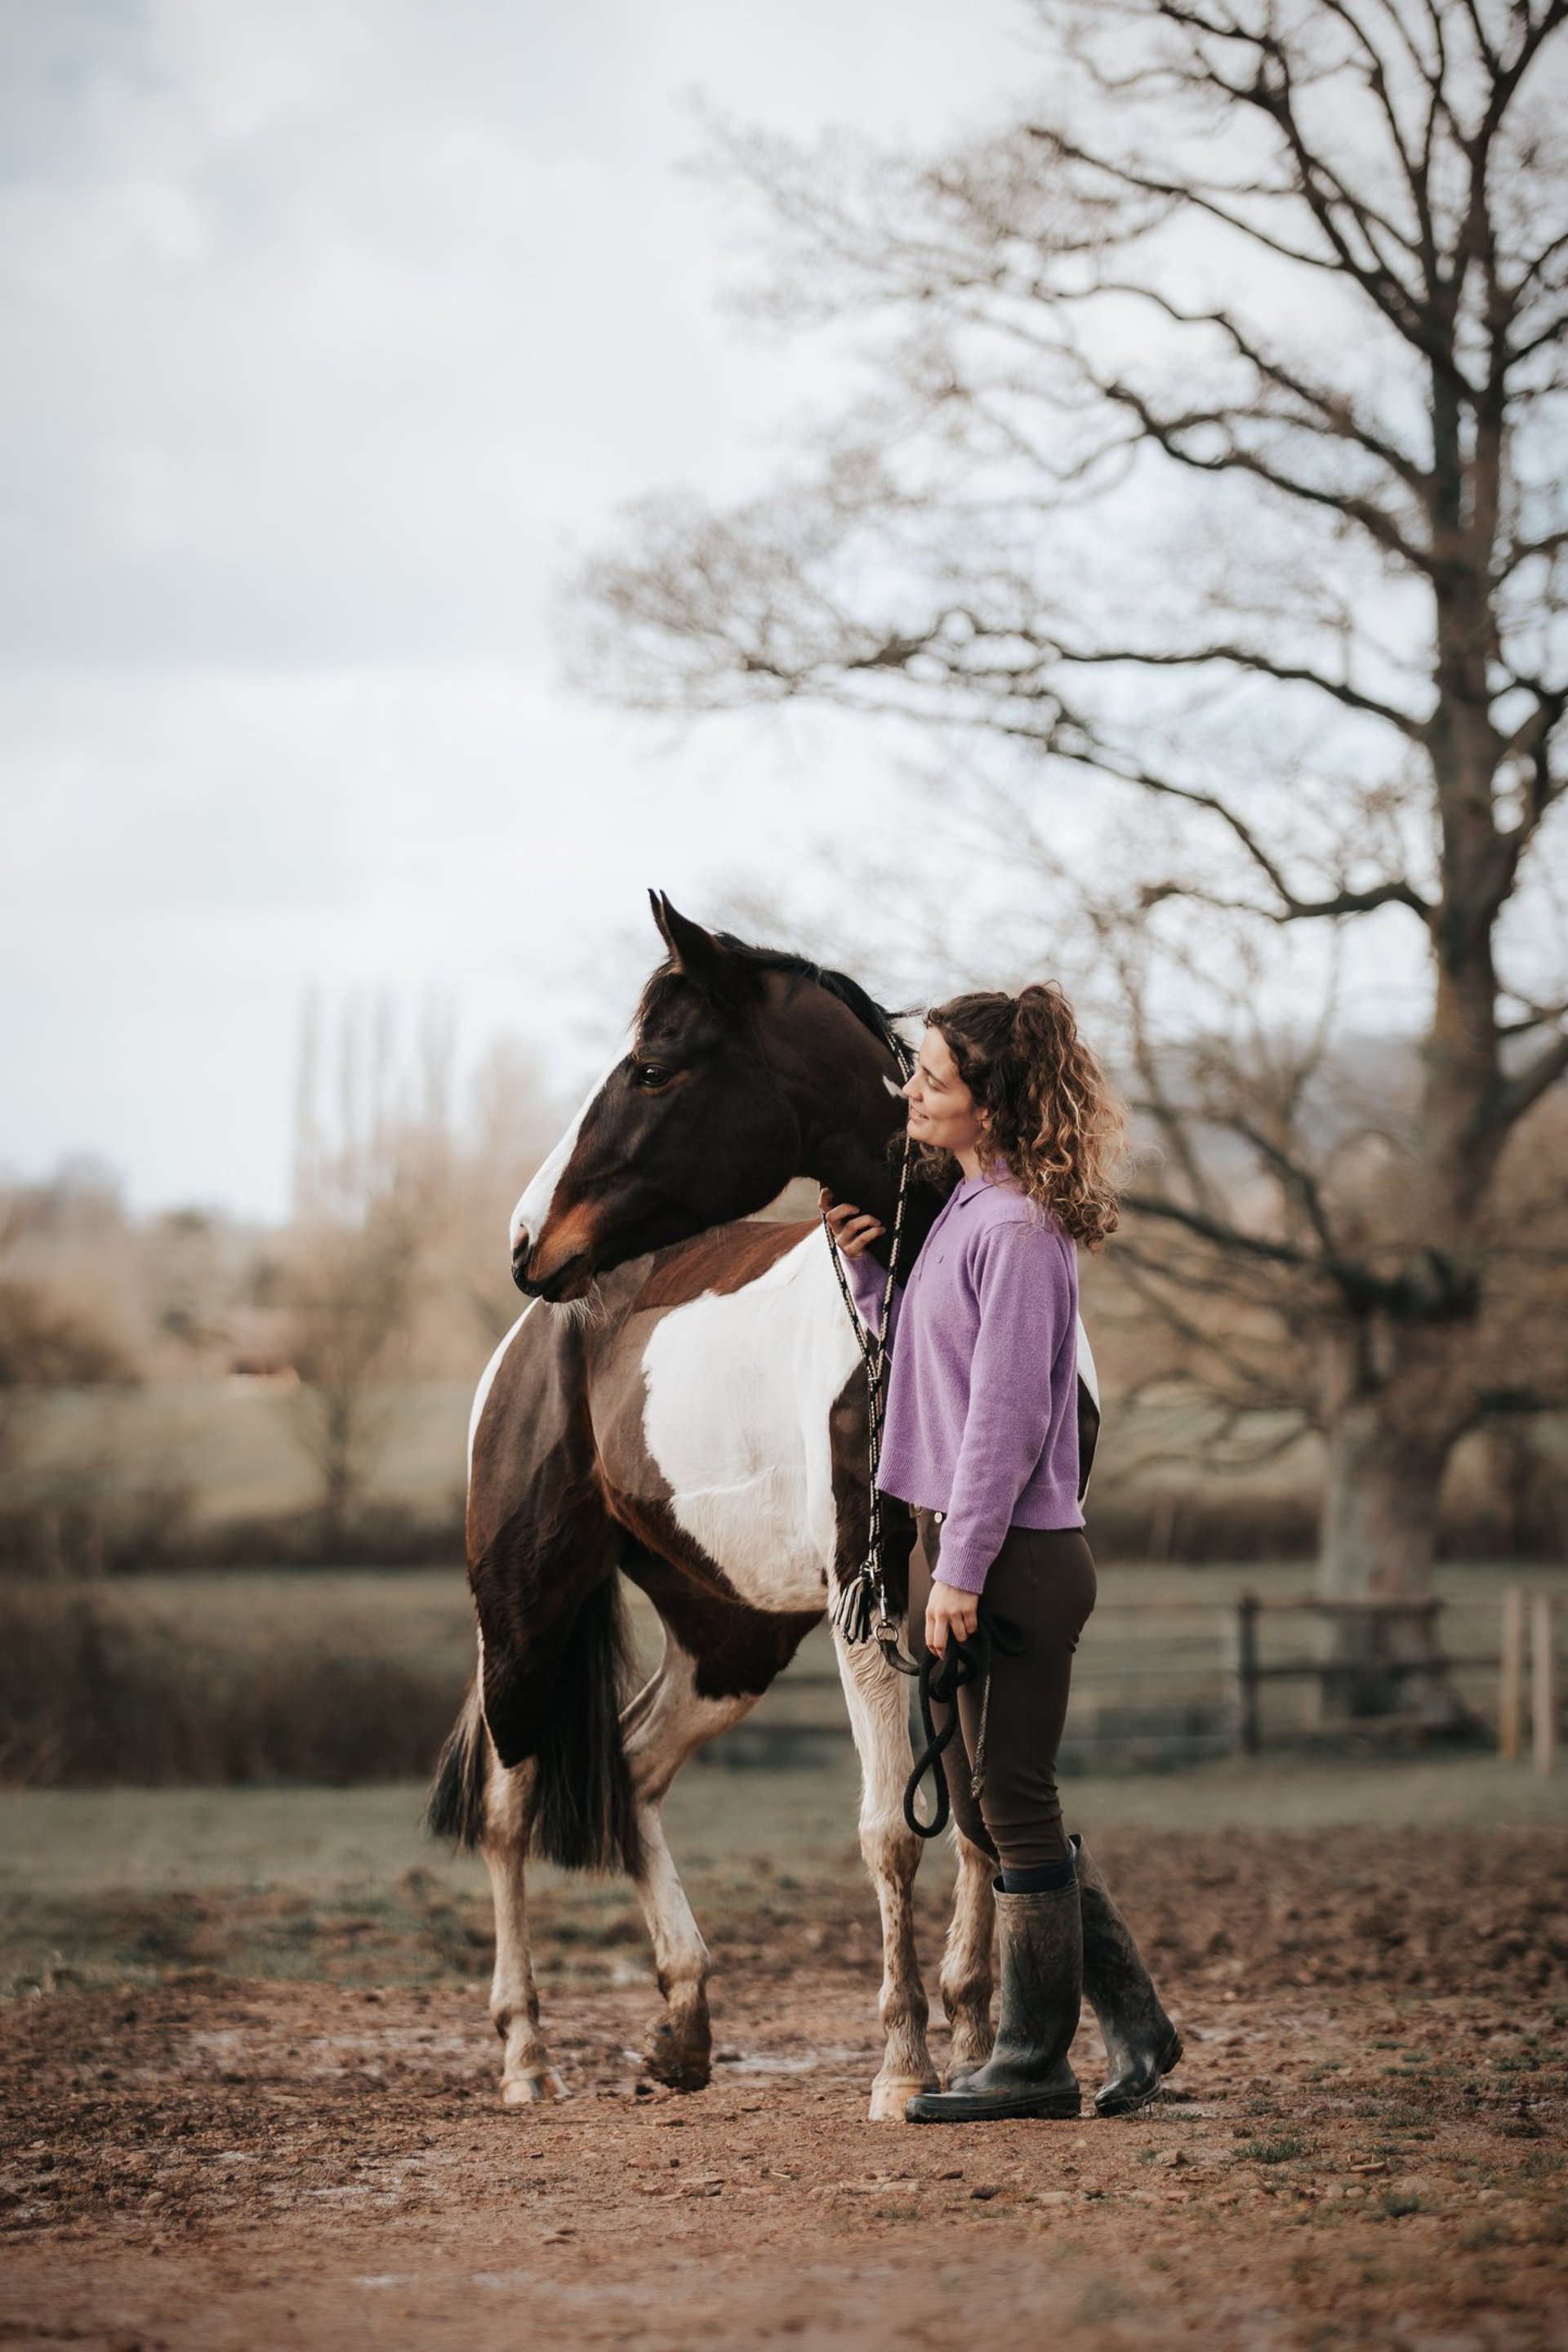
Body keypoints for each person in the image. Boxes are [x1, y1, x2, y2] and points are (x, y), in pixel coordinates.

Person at [822, 984, 1181, 2124]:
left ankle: (1029, 2064)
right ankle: (1139, 2026)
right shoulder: (969, 1215)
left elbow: (1011, 1419)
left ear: (991, 1101)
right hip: (968, 1546)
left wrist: (964, 1571)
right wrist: (872, 1274)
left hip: (1011, 1555)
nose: (909, 1092)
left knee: (1013, 1802)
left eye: (931, 1078)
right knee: (986, 1811)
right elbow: (926, 1375)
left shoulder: (1020, 1231)